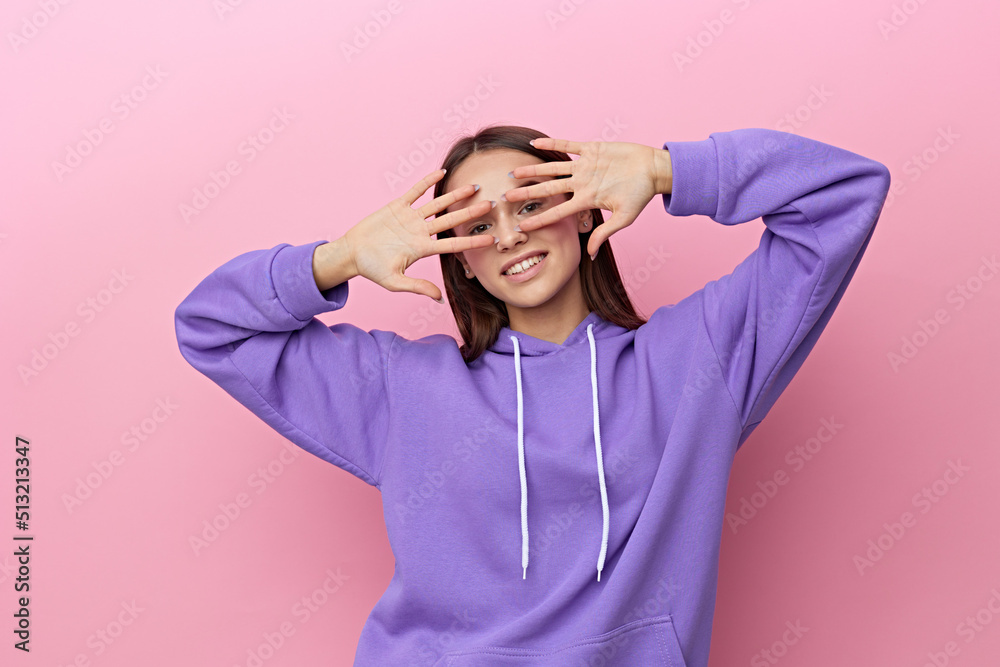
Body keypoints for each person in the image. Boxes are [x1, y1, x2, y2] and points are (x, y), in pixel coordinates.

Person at [174, 125, 891, 667]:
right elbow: (211, 327)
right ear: (461, 260)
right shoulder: (404, 389)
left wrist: (668, 170)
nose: (510, 233)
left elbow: (844, 194)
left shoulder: (698, 357)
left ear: (583, 208)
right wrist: (340, 256)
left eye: (531, 202)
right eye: (476, 225)